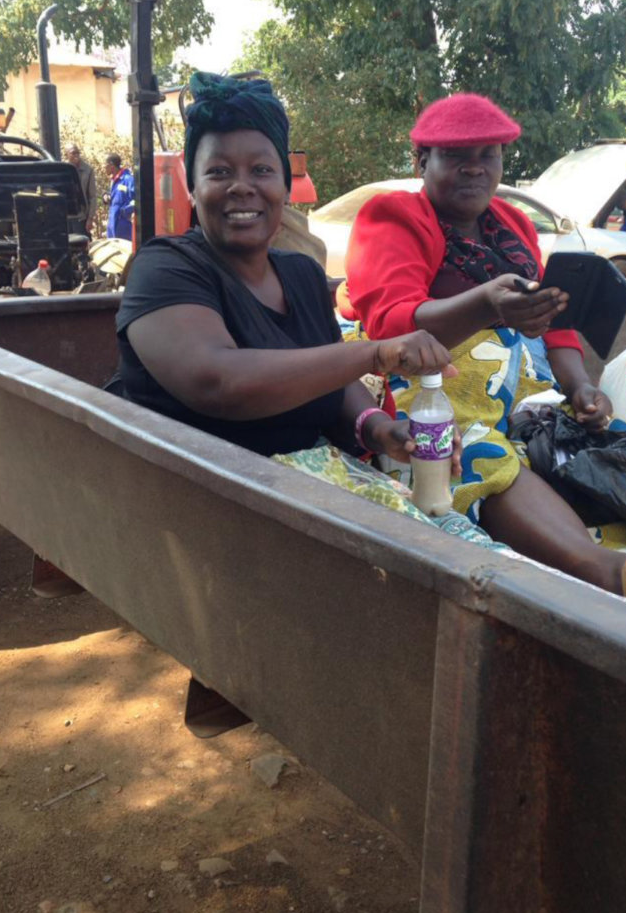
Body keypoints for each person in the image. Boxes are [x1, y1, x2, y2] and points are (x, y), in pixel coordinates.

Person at [114, 72, 513, 556]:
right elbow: (216, 381)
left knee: (477, 560)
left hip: (310, 493)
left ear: (285, 184)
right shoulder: (165, 268)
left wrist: (380, 429)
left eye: (262, 170)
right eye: (218, 172)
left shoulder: (300, 273)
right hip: (210, 512)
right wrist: (377, 353)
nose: (242, 187)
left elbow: (332, 380)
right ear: (191, 185)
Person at [341, 92, 626, 613]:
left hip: (526, 386)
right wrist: (486, 305)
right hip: (433, 383)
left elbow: (553, 321)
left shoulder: (514, 224)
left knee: (612, 443)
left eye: (489, 154)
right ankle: (614, 574)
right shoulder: (393, 216)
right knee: (479, 453)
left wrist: (580, 386)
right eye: (457, 156)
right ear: (421, 161)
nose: (475, 168)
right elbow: (390, 325)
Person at [65, 143, 97, 237]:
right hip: (65, 217)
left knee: (80, 243)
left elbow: (92, 196)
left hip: (80, 217)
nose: (76, 155)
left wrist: (90, 218)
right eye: (73, 153)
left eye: (78, 152)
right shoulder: (62, 169)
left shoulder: (88, 170)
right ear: (66, 154)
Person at [104, 154, 135, 240]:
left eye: (105, 165)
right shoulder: (113, 180)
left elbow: (136, 200)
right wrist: (106, 196)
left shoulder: (128, 180)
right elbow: (115, 196)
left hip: (123, 224)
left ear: (111, 165)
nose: (104, 168)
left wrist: (124, 212)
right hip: (112, 223)